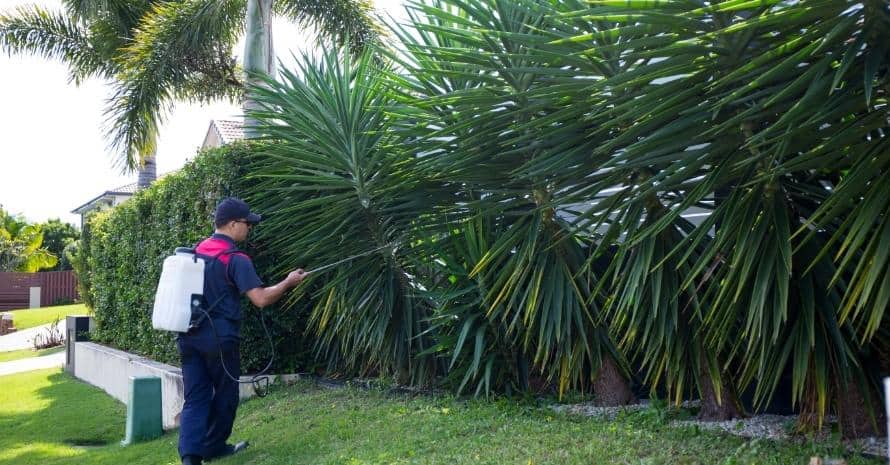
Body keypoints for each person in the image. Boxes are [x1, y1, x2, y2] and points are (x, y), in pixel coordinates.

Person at [178, 197, 306, 465]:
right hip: (220, 340)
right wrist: (288, 282)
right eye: (247, 223)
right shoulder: (235, 259)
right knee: (226, 396)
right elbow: (260, 299)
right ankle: (212, 447)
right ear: (233, 224)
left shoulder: (195, 251)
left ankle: (191, 459)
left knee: (195, 397)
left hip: (188, 336)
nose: (250, 228)